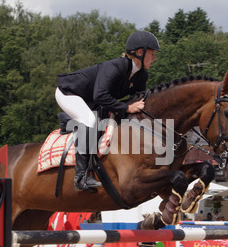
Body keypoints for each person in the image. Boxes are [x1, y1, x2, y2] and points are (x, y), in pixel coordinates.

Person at [55, 31, 161, 192]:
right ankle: (81, 176)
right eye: (152, 54)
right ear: (140, 53)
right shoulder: (115, 66)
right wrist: (126, 108)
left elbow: (137, 100)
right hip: (70, 93)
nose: (154, 58)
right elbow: (100, 96)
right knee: (89, 121)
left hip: (90, 100)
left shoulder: (141, 75)